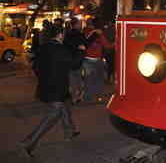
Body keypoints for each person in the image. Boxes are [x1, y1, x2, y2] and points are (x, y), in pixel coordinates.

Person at [18, 26, 85, 158]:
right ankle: (28, 143)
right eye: (63, 34)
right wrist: (81, 51)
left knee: (65, 106)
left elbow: (35, 66)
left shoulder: (43, 47)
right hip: (56, 88)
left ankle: (69, 131)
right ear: (60, 35)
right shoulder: (60, 49)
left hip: (46, 86)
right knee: (53, 114)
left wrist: (44, 78)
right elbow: (75, 64)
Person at [82, 17, 113, 102]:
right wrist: (113, 44)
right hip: (97, 59)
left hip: (87, 59)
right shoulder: (98, 33)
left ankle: (88, 97)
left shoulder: (84, 32)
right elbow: (106, 45)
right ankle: (98, 96)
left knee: (88, 79)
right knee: (99, 79)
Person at [64, 17, 87, 104]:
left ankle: (73, 97)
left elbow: (66, 46)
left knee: (72, 79)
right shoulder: (79, 34)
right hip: (78, 60)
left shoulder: (67, 34)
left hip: (69, 60)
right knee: (78, 79)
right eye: (79, 24)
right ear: (76, 24)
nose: (80, 25)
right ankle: (77, 96)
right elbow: (85, 45)